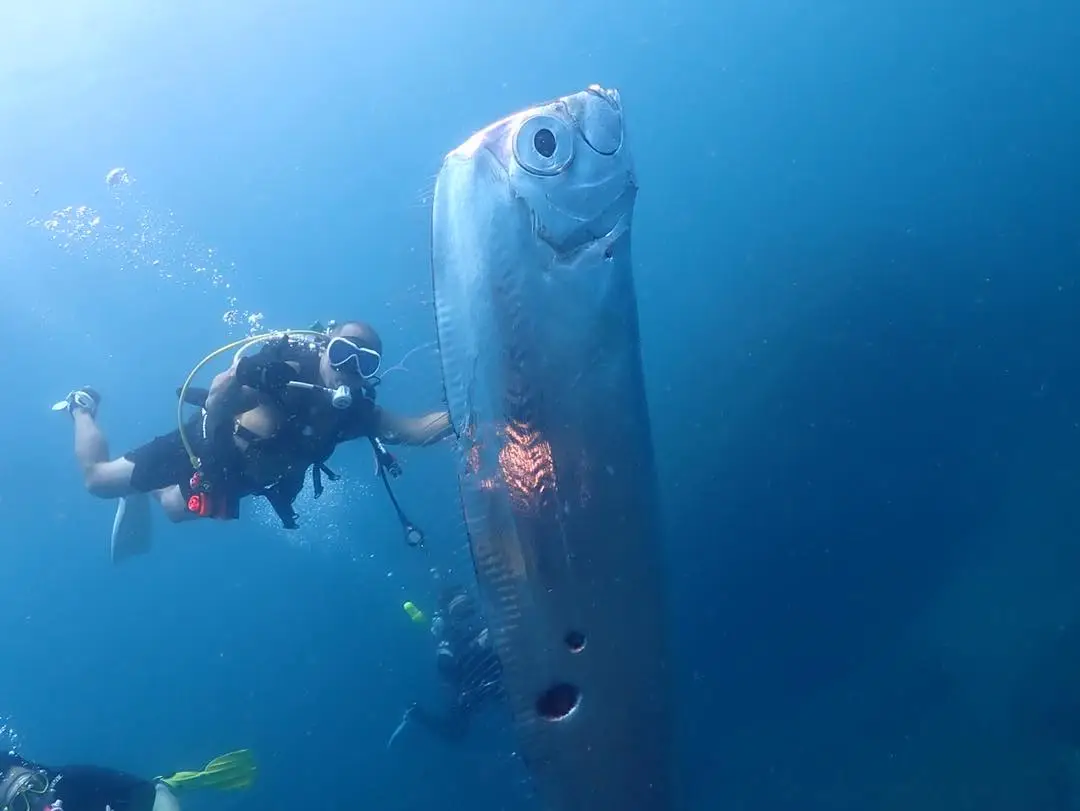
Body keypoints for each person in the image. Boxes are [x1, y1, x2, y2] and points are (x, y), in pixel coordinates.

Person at [56, 320, 452, 562]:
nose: (348, 368)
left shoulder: (355, 414)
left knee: (176, 510)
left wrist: (479, 408)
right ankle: (82, 405)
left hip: (239, 479)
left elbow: (417, 431)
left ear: (370, 373)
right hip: (203, 447)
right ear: (326, 347)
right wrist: (248, 376)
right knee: (96, 480)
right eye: (343, 352)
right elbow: (216, 395)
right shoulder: (285, 371)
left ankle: (142, 490)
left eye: (363, 362)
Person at [389, 585, 504, 747]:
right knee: (456, 732)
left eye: (469, 607)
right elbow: (446, 670)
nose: (467, 615)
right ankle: (415, 714)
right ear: (451, 615)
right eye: (460, 611)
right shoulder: (448, 638)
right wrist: (476, 646)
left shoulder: (486, 621)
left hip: (493, 677)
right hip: (471, 690)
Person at [0, 748, 255, 811]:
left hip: (134, 801)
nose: (37, 801)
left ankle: (173, 780)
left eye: (36, 786)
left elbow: (150, 795)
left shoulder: (75, 780)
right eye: (21, 805)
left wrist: (162, 791)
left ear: (44, 776)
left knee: (158, 789)